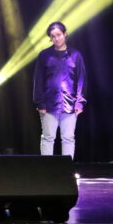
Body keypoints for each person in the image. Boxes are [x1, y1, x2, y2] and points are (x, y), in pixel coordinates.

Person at [33, 22, 86, 158]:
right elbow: (38, 80)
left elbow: (81, 79)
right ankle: (47, 168)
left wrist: (80, 102)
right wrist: (40, 102)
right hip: (48, 104)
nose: (56, 38)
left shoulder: (76, 55)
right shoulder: (44, 55)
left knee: (68, 138)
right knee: (48, 137)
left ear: (65, 34)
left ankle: (67, 168)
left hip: (70, 104)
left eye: (59, 35)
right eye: (53, 36)